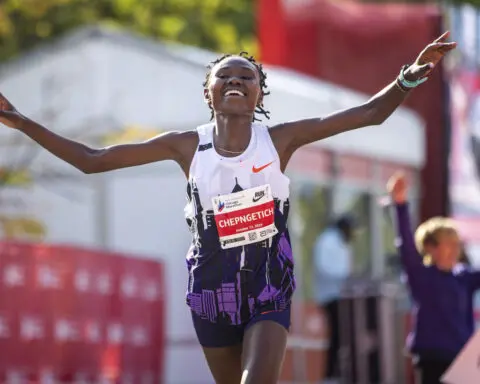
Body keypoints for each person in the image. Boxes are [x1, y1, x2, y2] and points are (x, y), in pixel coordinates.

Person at [0, 32, 455, 384]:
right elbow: (91, 160)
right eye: (226, 76)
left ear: (259, 94)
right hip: (209, 291)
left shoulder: (279, 140)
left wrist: (410, 75)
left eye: (247, 77)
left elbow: (368, 114)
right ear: (209, 93)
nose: (236, 81)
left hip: (268, 287)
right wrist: (21, 121)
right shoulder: (185, 145)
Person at [387, 172, 480, 384]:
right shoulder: (421, 276)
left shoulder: (465, 276)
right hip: (432, 358)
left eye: (457, 242)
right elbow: (406, 246)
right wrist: (400, 204)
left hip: (462, 360)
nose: (456, 248)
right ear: (431, 247)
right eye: (449, 242)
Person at [313, 215, 356, 381]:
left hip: (341, 295)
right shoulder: (328, 241)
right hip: (331, 296)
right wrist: (345, 277)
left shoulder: (340, 243)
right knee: (337, 336)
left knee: (343, 336)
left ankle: (339, 372)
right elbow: (326, 268)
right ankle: (331, 375)